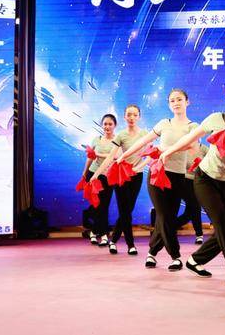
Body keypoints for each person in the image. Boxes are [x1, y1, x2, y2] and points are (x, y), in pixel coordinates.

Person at [160, 79, 225, 282]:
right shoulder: (216, 119)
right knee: (221, 223)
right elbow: (191, 137)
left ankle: (196, 260)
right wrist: (169, 151)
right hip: (206, 179)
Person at [118, 89, 197, 271]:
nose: (176, 103)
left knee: (167, 217)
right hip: (157, 173)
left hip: (178, 176)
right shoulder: (164, 123)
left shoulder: (193, 127)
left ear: (187, 102)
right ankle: (175, 256)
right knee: (164, 215)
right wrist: (124, 155)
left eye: (179, 99)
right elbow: (143, 141)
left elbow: (191, 145)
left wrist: (166, 150)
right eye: (172, 100)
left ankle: (151, 253)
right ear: (169, 104)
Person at [90, 105, 148, 255]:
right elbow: (111, 157)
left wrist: (138, 167)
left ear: (139, 117)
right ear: (124, 117)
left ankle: (113, 240)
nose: (131, 118)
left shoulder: (144, 134)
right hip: (121, 175)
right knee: (124, 211)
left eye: (134, 115)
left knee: (128, 210)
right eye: (129, 115)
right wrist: (96, 174)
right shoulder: (121, 135)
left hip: (137, 175)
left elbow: (150, 155)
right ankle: (130, 244)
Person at [83, 114, 118, 247]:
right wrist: (85, 173)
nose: (107, 127)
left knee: (104, 205)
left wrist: (98, 154)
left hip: (109, 176)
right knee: (96, 204)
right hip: (94, 175)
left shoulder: (117, 140)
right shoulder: (96, 139)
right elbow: (90, 157)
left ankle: (95, 232)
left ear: (114, 125)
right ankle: (102, 234)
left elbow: (115, 156)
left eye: (110, 124)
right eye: (105, 124)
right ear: (102, 125)